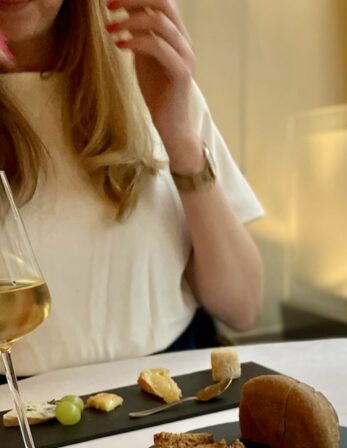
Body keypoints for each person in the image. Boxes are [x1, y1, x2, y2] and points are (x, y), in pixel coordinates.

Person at [0, 0, 264, 377]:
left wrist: (178, 137)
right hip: (16, 408)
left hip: (171, 396)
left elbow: (241, 305)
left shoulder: (147, 71)